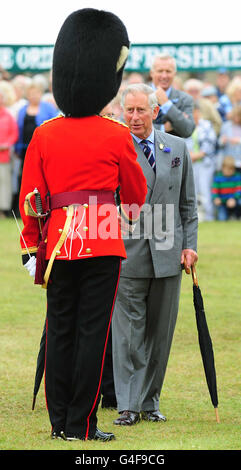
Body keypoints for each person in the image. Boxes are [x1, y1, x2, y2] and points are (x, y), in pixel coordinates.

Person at [19, 9, 147, 442]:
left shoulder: (44, 134)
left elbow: (32, 203)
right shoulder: (115, 134)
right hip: (104, 243)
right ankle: (83, 424)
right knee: (94, 335)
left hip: (56, 247)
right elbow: (135, 196)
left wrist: (32, 249)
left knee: (60, 330)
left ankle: (59, 425)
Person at [112, 84, 198, 426]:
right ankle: (128, 405)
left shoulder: (176, 147)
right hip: (126, 252)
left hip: (169, 253)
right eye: (128, 110)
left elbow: (188, 204)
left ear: (155, 112)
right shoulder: (114, 147)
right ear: (122, 111)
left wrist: (189, 245)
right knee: (128, 333)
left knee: (160, 333)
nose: (134, 117)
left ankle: (150, 401)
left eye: (140, 111)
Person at [149, 53, 195, 138]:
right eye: (160, 71)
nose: (164, 76)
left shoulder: (185, 99)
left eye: (168, 71)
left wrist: (167, 104)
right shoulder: (140, 94)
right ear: (152, 73)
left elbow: (188, 130)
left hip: (174, 151)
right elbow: (131, 127)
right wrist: (163, 128)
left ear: (174, 74)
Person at [185, 103, 217, 221]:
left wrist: (199, 154)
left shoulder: (206, 125)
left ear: (198, 112)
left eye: (195, 111)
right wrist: (190, 155)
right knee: (192, 191)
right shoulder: (185, 126)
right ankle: (194, 217)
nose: (194, 114)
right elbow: (181, 141)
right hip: (190, 163)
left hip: (205, 163)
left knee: (205, 190)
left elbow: (211, 142)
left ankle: (209, 216)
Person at [0, 82, 18, 218]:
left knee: (4, 183)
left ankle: (3, 209)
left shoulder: (8, 115)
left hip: (4, 155)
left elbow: (14, 133)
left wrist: (7, 144)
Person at [212, 156, 241, 220]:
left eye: (231, 169)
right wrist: (216, 198)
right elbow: (215, 190)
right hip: (222, 202)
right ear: (222, 168)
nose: (229, 172)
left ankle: (237, 215)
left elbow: (239, 190)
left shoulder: (237, 177)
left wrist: (233, 198)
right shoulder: (218, 177)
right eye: (227, 169)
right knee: (222, 218)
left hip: (234, 201)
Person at [217, 105, 241, 171]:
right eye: (235, 116)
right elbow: (219, 143)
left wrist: (238, 141)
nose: (237, 119)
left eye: (239, 116)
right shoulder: (225, 126)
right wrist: (222, 141)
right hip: (229, 162)